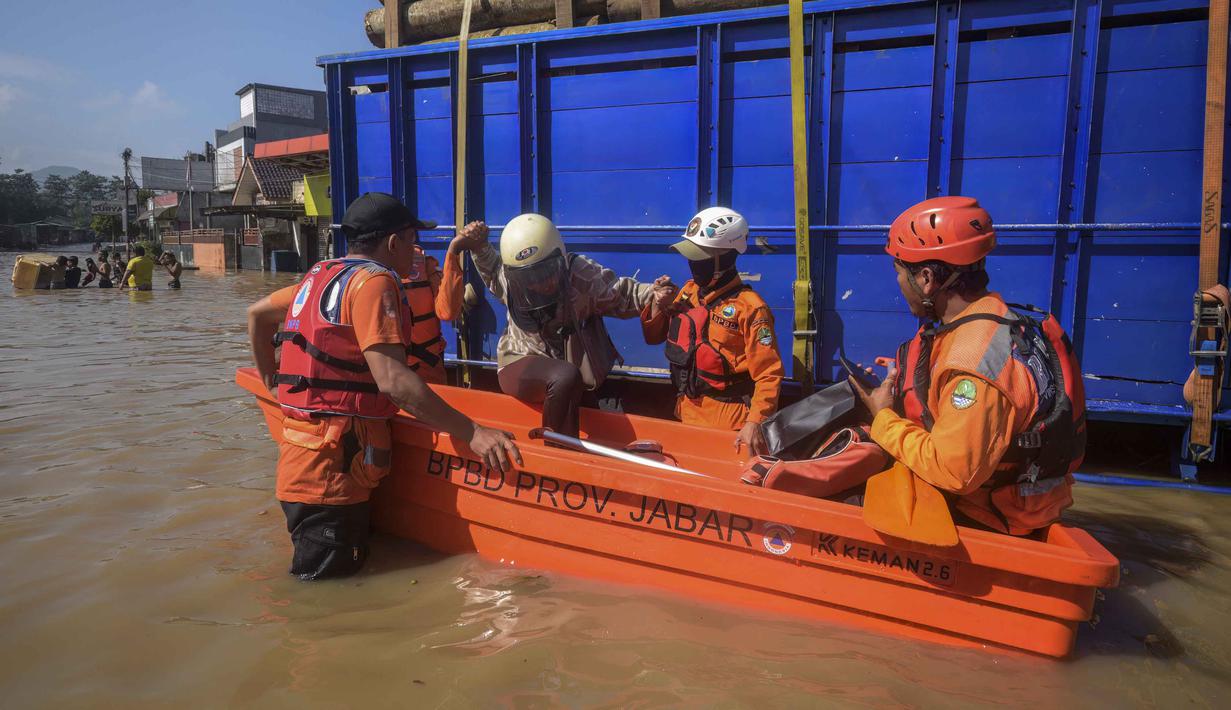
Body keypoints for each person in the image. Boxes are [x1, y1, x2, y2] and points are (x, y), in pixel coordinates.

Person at [246, 192, 521, 581]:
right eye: (411, 240)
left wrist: (272, 383)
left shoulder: (321, 276)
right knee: (327, 600)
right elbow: (393, 381)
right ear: (393, 242)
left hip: (305, 462)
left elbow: (257, 315)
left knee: (335, 589)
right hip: (332, 479)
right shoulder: (374, 283)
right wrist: (472, 432)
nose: (415, 251)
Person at [850, 196, 1083, 536]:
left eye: (899, 273)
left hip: (991, 516)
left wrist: (883, 417)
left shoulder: (973, 362)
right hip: (1011, 498)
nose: (898, 284)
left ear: (927, 278)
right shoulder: (996, 318)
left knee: (844, 495)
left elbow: (954, 472)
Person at [465, 214, 659, 438]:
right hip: (519, 362)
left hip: (569, 373)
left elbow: (620, 293)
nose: (542, 283)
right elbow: (492, 270)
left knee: (585, 400)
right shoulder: (511, 282)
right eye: (531, 278)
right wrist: (478, 244)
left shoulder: (580, 275)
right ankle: (557, 451)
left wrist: (655, 294)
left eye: (547, 273)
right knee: (565, 375)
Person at [641, 207, 784, 455]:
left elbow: (769, 374)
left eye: (700, 257)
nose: (693, 264)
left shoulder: (751, 308)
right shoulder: (688, 292)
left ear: (725, 258)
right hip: (686, 412)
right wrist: (658, 304)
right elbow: (654, 338)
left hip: (729, 423)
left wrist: (754, 422)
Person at [399, 226, 474, 384]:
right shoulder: (369, 277)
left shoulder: (425, 265)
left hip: (428, 372)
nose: (413, 238)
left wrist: (453, 251)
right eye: (410, 234)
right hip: (391, 376)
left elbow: (447, 312)